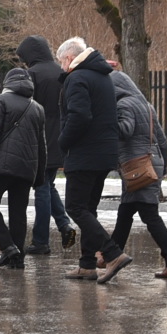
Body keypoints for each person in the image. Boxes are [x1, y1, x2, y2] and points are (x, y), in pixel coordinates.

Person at [102, 65, 167, 279]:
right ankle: (112, 254)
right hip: (148, 164)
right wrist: (164, 167)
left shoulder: (123, 105)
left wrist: (106, 121)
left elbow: (125, 129)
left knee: (149, 215)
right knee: (126, 212)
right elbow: (162, 138)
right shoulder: (147, 105)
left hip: (136, 167)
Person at [55, 37, 126, 280]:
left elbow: (80, 117)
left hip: (84, 154)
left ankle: (112, 254)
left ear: (68, 58)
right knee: (88, 209)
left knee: (75, 207)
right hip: (104, 153)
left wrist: (63, 142)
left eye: (60, 63)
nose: (61, 69)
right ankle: (86, 264)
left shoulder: (77, 77)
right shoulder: (102, 76)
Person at [0, 64, 45, 267]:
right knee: (18, 213)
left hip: (2, 166)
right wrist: (39, 175)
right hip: (26, 170)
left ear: (8, 83)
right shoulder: (37, 108)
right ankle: (17, 259)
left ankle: (8, 247)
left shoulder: (1, 101)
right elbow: (42, 146)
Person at [14, 35, 72, 256]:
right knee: (48, 184)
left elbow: (26, 109)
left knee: (41, 188)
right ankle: (64, 225)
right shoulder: (62, 73)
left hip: (40, 139)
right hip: (60, 138)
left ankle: (41, 241)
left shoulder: (33, 75)